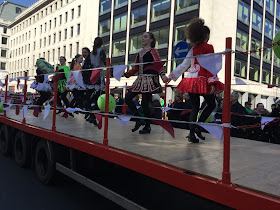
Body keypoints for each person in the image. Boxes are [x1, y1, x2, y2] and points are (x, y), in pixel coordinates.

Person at [167, 18, 224, 143]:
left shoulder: (193, 49)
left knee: (194, 107)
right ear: (206, 36)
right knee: (212, 104)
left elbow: (183, 65)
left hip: (191, 79)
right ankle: (199, 126)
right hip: (203, 79)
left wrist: (170, 76)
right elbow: (210, 65)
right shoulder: (209, 47)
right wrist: (213, 82)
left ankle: (192, 133)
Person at [124, 32, 168, 134]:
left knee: (144, 103)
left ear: (151, 40)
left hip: (149, 79)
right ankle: (139, 118)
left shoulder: (153, 51)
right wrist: (125, 75)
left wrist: (162, 75)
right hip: (140, 79)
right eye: (142, 36)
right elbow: (136, 68)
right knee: (128, 98)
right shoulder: (139, 53)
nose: (143, 38)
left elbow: (158, 64)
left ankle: (147, 126)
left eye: (145, 37)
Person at [82, 38, 106, 124]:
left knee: (93, 95)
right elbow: (106, 62)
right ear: (102, 43)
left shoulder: (91, 53)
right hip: (98, 75)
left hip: (92, 75)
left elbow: (86, 66)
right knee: (101, 95)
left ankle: (91, 114)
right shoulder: (101, 52)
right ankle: (92, 114)